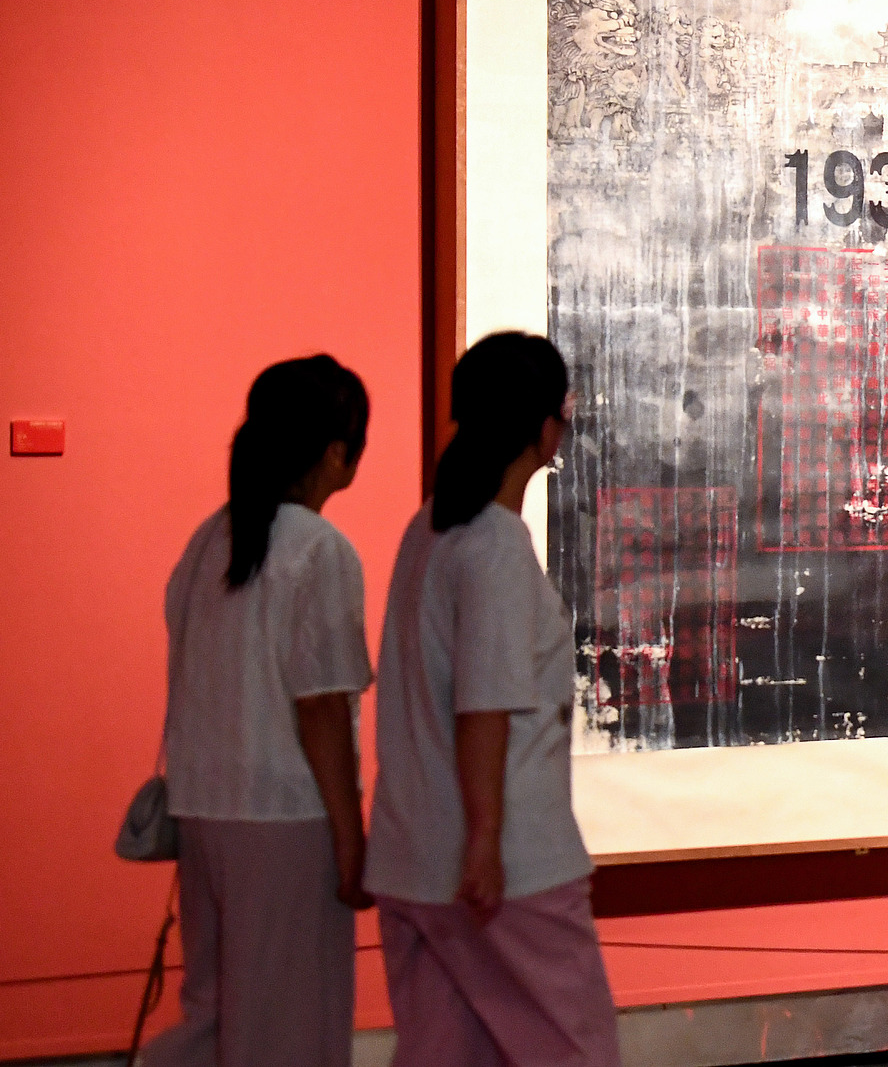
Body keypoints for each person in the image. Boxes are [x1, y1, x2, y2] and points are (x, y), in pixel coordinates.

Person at [366, 332, 621, 1066]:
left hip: (411, 856)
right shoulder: (497, 544)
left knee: (444, 1055)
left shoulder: (430, 529)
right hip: (505, 865)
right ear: (546, 427)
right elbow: (484, 703)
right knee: (575, 1052)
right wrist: (482, 840)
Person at [144, 355, 374, 1067]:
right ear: (338, 450)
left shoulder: (209, 539)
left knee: (215, 1011)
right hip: (286, 819)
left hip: (203, 808)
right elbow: (323, 710)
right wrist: (349, 837)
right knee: (290, 1025)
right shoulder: (319, 550)